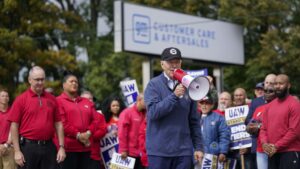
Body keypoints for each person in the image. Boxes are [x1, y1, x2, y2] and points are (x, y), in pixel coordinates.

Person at [144, 47, 203, 169]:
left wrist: (198, 147)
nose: (173, 65)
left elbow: (194, 121)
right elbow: (153, 113)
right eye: (170, 62)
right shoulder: (153, 85)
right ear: (162, 64)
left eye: (176, 62)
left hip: (183, 152)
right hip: (159, 152)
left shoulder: (188, 85)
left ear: (181, 63)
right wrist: (174, 96)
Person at [8, 66, 66, 169]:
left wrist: (61, 147)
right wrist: (17, 151)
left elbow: (58, 124)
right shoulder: (21, 100)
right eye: (37, 79)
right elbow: (14, 126)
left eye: (42, 79)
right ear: (30, 80)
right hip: (28, 148)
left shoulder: (52, 99)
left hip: (48, 147)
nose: (40, 82)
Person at [55, 73, 98, 169]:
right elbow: (62, 123)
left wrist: (88, 133)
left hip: (85, 148)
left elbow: (95, 120)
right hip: (68, 149)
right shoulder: (58, 101)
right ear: (64, 85)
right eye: (71, 81)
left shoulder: (86, 102)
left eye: (76, 82)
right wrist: (78, 135)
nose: (74, 83)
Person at [260, 74, 300, 169]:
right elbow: (263, 128)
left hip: (290, 152)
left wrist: (276, 146)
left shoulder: (295, 105)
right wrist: (264, 144)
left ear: (288, 85)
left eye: (281, 83)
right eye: (275, 84)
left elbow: (294, 131)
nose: (277, 86)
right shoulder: (269, 106)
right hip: (272, 152)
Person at [244, 74, 276, 168]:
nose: (269, 85)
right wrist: (254, 126)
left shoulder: (281, 102)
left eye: (272, 83)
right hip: (259, 145)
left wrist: (260, 125)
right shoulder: (256, 102)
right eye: (267, 82)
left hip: (277, 147)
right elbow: (248, 121)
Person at [197, 93, 230, 162]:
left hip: (213, 155)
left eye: (207, 103)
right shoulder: (195, 118)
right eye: (202, 103)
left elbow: (224, 135)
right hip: (198, 156)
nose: (204, 106)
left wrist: (223, 152)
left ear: (212, 105)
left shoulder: (219, 118)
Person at [118, 94, 146, 169]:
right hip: (129, 153)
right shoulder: (127, 113)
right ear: (139, 100)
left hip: (141, 154)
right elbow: (122, 132)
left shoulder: (146, 114)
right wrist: (123, 150)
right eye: (146, 100)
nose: (149, 102)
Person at [80, 91, 107, 169]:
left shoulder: (99, 116)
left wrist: (88, 136)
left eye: (90, 99)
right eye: (85, 99)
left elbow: (102, 130)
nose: (88, 101)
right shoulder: (76, 114)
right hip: (78, 153)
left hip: (94, 155)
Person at [0, 88, 16, 169]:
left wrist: (6, 145)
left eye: (6, 96)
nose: (5, 97)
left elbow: (13, 129)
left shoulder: (13, 111)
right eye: (2, 96)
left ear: (9, 98)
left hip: (9, 147)